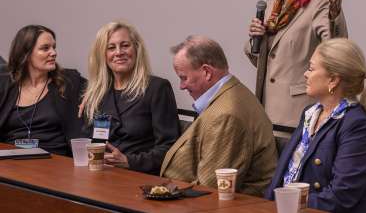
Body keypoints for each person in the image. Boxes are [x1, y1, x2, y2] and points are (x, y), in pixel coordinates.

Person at [265, 38, 366, 213]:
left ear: (333, 80)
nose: (306, 74)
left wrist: (288, 203)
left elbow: (341, 197)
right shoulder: (310, 113)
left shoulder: (358, 126)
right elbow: (280, 179)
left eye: (311, 69)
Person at [245, 0, 349, 127]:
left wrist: (334, 16)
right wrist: (255, 40)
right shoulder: (269, 8)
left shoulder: (319, 6)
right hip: (265, 112)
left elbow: (336, 52)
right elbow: (265, 64)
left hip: (299, 114)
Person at [161, 35, 277, 197]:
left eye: (183, 78)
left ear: (207, 72)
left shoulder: (227, 115)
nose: (181, 86)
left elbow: (210, 190)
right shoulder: (231, 94)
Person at [80, 20, 180, 175]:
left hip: (138, 176)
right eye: (111, 47)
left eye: (125, 45)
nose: (119, 52)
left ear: (136, 49)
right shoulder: (96, 93)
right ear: (103, 55)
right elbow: (87, 140)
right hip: (99, 173)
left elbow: (170, 147)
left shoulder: (157, 88)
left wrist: (129, 161)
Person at [0, 25, 86, 155]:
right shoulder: (6, 85)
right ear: (26, 54)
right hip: (11, 160)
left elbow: (100, 87)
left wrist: (90, 95)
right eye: (45, 48)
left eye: (53, 47)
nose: (53, 52)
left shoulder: (69, 81)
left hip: (54, 161)